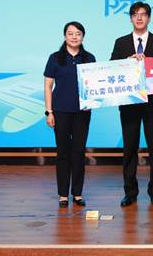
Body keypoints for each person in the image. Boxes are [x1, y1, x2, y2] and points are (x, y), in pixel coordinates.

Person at [110, 2, 153, 207]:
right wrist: (129, 61)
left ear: (149, 18)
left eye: (143, 14)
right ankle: (130, 192)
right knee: (129, 149)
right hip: (129, 104)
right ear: (130, 18)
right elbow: (113, 69)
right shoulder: (121, 42)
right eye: (135, 14)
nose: (139, 18)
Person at [44, 21, 96, 208]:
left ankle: (78, 193)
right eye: (70, 33)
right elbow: (48, 86)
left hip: (83, 112)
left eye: (78, 33)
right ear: (65, 36)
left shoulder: (89, 58)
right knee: (63, 152)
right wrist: (49, 112)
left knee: (79, 152)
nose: (74, 37)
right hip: (60, 111)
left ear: (83, 36)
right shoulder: (55, 58)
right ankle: (63, 195)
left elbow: (96, 84)